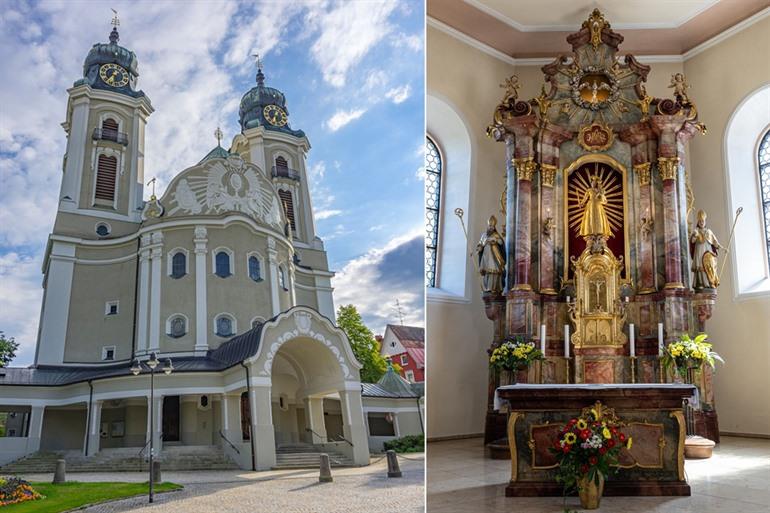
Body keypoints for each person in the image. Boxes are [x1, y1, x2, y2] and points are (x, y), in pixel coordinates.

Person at [690, 210, 721, 289]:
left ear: (705, 221)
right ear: (698, 221)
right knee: (700, 266)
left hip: (707, 252)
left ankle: (710, 283)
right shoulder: (696, 231)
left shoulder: (709, 231)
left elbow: (714, 241)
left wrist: (720, 246)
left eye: (703, 221)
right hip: (699, 251)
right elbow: (692, 241)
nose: (701, 222)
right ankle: (700, 283)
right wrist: (695, 236)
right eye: (700, 221)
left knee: (708, 266)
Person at [476, 215, 506, 293]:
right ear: (488, 226)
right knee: (487, 272)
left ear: (494, 227)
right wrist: (479, 248)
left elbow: (501, 243)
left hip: (495, 256)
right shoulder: (484, 235)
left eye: (492, 226)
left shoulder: (496, 235)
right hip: (486, 256)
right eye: (490, 226)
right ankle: (487, 287)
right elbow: (480, 244)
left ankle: (494, 288)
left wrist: (495, 240)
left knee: (495, 271)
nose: (491, 227)